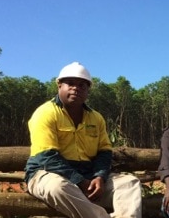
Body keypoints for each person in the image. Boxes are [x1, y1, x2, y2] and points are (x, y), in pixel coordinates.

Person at [24, 62, 143, 218]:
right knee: (58, 188)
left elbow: (104, 152)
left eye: (82, 85)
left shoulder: (96, 118)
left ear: (88, 90)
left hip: (88, 175)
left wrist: (99, 177)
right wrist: (79, 181)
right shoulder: (45, 113)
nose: (76, 88)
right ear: (59, 85)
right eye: (70, 83)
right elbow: (46, 157)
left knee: (129, 183)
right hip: (46, 173)